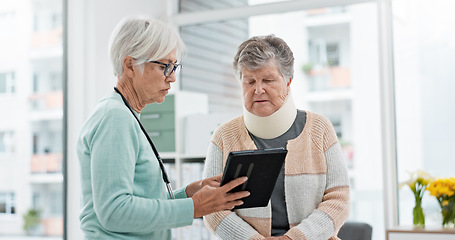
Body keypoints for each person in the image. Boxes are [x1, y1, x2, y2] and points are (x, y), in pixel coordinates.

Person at [76, 16, 249, 240]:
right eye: (165, 66)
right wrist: (194, 207)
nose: (173, 78)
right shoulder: (114, 118)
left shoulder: (126, 114)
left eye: (175, 66)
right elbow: (115, 212)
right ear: (130, 65)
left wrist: (188, 194)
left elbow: (141, 206)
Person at [202, 35, 350, 240]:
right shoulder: (224, 136)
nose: (258, 89)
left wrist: (294, 238)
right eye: (249, 81)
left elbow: (339, 199)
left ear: (288, 81)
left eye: (268, 80)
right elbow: (212, 208)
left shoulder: (319, 128)